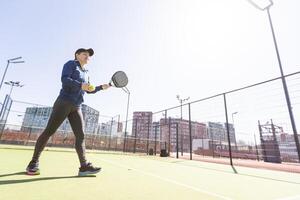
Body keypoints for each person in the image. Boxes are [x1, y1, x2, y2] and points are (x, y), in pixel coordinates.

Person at [26, 48, 110, 176]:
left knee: (80, 136)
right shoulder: (70, 64)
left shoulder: (86, 73)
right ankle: (33, 163)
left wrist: (101, 88)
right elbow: (65, 80)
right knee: (49, 131)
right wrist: (80, 85)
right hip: (64, 102)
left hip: (77, 106)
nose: (87, 56)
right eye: (84, 54)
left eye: (89, 55)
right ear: (77, 55)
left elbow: (88, 89)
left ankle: (84, 167)